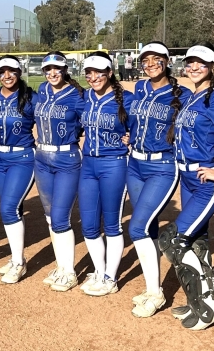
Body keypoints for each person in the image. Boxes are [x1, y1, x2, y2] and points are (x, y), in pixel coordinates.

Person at [159, 43, 214, 330]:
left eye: (201, 63)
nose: (194, 67)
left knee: (173, 240)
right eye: (190, 62)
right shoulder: (191, 97)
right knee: (197, 242)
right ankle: (198, 301)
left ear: (212, 67)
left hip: (205, 183)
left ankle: (212, 302)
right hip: (187, 179)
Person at [126, 41, 192, 318]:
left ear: (167, 61)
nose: (150, 63)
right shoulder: (140, 88)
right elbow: (133, 119)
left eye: (157, 58)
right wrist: (129, 134)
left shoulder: (184, 94)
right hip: (135, 164)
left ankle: (156, 294)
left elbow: (198, 123)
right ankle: (152, 286)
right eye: (146, 59)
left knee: (137, 227)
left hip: (163, 167)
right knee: (148, 226)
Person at [79, 51, 133, 296]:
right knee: (89, 225)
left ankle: (110, 277)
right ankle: (100, 271)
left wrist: (131, 137)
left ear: (110, 73)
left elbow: (144, 128)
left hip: (115, 164)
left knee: (112, 224)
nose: (93, 77)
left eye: (99, 72)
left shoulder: (127, 100)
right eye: (89, 73)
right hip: (88, 165)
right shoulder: (85, 97)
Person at [30, 51, 85, 291]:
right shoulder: (42, 90)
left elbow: (89, 121)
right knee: (50, 216)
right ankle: (61, 266)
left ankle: (70, 272)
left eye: (57, 68)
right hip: (42, 157)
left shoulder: (77, 95)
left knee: (61, 218)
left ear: (65, 70)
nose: (52, 73)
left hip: (66, 157)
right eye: (48, 69)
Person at [0, 55, 35, 284]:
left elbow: (53, 118)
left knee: (8, 208)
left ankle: (18, 263)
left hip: (23, 157)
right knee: (13, 209)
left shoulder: (31, 97)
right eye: (2, 71)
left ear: (19, 72)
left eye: (11, 71)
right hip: (0, 158)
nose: (7, 76)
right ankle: (16, 257)